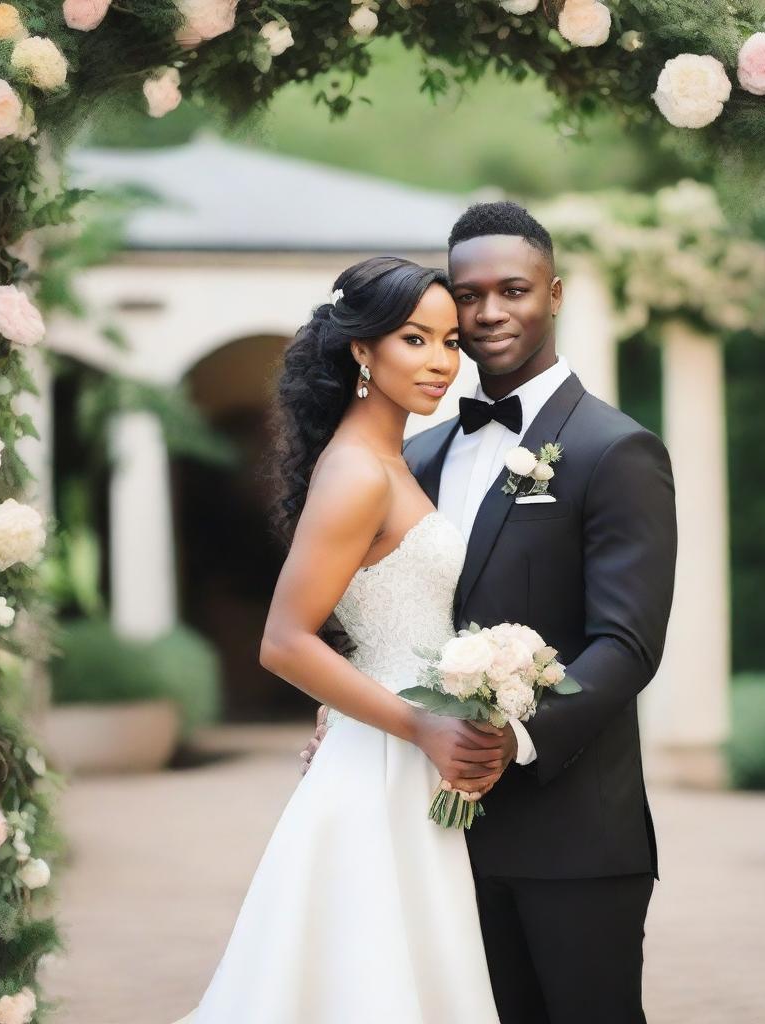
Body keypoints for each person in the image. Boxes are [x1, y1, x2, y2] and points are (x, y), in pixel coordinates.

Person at [303, 202, 678, 1024]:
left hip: (571, 835)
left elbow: (628, 642)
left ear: (556, 293)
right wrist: (345, 700)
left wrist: (517, 738)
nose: (489, 312)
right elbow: (368, 598)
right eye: (468, 296)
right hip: (430, 833)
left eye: (513, 290)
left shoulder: (616, 451)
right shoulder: (419, 455)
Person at [172, 256, 502, 1024]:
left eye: (450, 341)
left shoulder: (398, 463)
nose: (441, 362)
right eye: (415, 339)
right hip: (388, 757)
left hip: (412, 751)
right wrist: (421, 724)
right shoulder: (358, 472)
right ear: (363, 350)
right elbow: (284, 641)